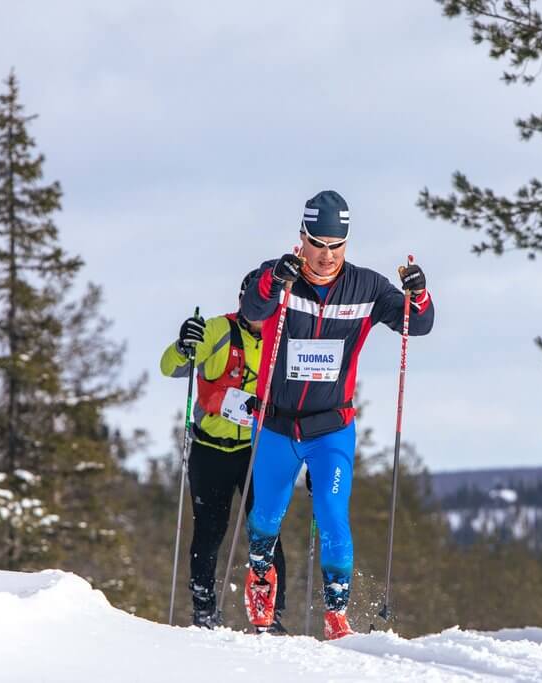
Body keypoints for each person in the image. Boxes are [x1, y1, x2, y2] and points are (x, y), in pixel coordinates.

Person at [239, 189, 434, 640]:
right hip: (276, 424)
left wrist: (418, 294)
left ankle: (336, 612)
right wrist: (273, 279)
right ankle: (260, 577)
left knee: (331, 510)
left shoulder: (365, 287)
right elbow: (252, 308)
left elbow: (416, 324)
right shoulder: (277, 278)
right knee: (267, 514)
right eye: (318, 244)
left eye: (336, 246)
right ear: (301, 238)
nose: (326, 256)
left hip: (331, 427)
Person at [160, 270, 289, 633]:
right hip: (210, 450)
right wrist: (183, 344)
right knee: (210, 531)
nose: (260, 313)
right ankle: (203, 611)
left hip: (257, 451)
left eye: (268, 306)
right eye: (255, 304)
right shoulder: (217, 330)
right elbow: (170, 367)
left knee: (266, 533)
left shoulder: (282, 340)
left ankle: (271, 614)